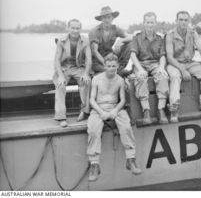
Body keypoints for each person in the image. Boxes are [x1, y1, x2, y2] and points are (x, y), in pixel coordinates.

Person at [86, 53, 141, 182]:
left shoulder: (120, 80)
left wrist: (115, 111)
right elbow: (92, 100)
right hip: (98, 108)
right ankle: (94, 164)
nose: (111, 68)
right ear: (104, 66)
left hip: (115, 107)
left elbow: (122, 100)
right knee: (93, 129)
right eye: (109, 66)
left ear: (117, 66)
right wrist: (101, 112)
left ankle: (131, 159)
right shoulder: (96, 79)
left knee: (126, 126)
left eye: (114, 66)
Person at [166, 11, 201, 122]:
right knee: (174, 77)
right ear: (176, 21)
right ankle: (174, 109)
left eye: (185, 20)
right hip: (174, 64)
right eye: (181, 20)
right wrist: (182, 70)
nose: (183, 22)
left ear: (189, 21)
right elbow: (169, 58)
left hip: (189, 63)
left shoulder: (192, 33)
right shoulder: (170, 35)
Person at [130, 12, 169, 125]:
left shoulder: (160, 38)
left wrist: (161, 67)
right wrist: (140, 69)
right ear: (144, 23)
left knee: (162, 76)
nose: (150, 25)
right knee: (141, 78)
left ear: (155, 23)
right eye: (148, 22)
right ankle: (146, 110)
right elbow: (133, 55)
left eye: (152, 22)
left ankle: (160, 109)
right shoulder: (137, 37)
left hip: (155, 63)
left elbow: (162, 55)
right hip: (140, 63)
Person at [53, 19, 91, 127]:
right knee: (60, 85)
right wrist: (60, 76)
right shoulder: (61, 41)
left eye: (77, 28)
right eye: (73, 28)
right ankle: (61, 117)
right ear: (68, 28)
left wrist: (86, 73)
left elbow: (89, 59)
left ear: (80, 28)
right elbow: (56, 60)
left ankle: (84, 111)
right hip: (64, 68)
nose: (75, 30)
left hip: (78, 67)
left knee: (86, 82)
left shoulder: (85, 40)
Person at [89, 6, 132, 76]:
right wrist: (106, 63)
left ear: (112, 18)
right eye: (104, 18)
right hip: (97, 61)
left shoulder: (115, 28)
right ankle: (116, 70)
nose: (107, 20)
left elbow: (131, 37)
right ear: (101, 19)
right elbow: (94, 51)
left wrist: (122, 40)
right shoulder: (94, 31)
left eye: (109, 17)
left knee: (130, 44)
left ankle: (120, 67)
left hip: (110, 57)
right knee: (108, 70)